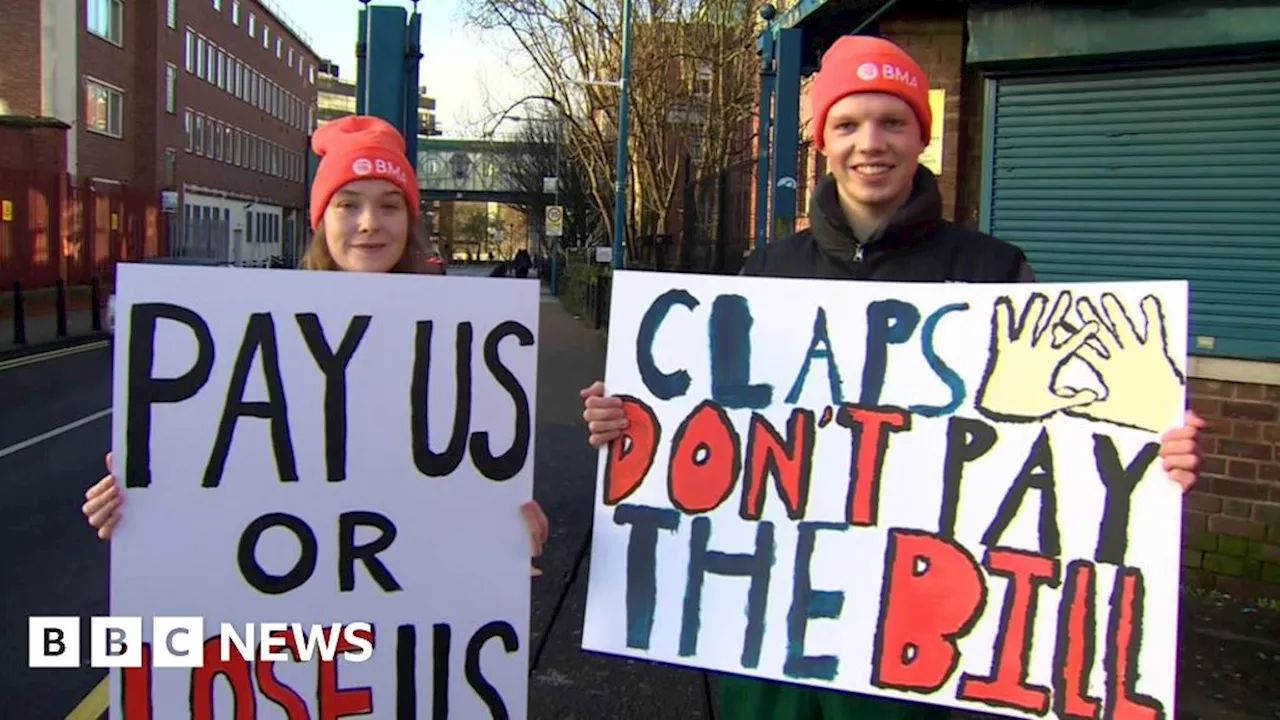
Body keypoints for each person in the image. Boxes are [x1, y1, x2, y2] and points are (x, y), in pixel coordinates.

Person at [579, 35, 1206, 719]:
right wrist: (632, 419)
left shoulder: (993, 273)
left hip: (921, 643)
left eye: (893, 122)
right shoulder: (766, 273)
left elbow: (1060, 436)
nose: (870, 142)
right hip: (772, 635)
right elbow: (716, 431)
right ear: (822, 141)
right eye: (847, 124)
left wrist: (1149, 451)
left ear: (921, 137)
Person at [82, 115, 550, 574]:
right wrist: (142, 507)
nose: (370, 223)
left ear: (409, 220)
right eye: (348, 205)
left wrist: (500, 538)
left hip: (405, 616)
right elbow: (228, 484)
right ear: (321, 219)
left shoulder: (460, 343)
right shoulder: (254, 337)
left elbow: (462, 480)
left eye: (390, 206)